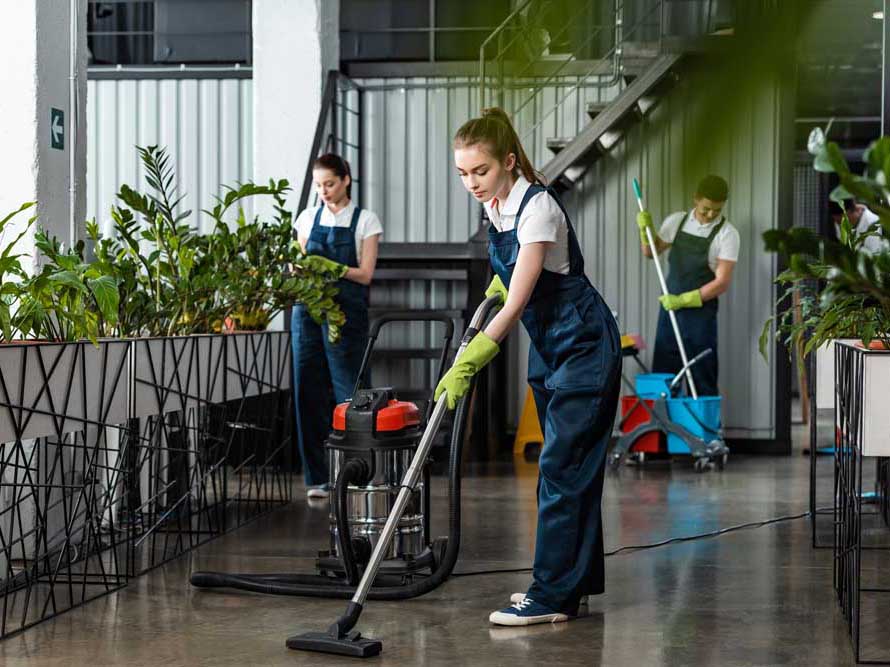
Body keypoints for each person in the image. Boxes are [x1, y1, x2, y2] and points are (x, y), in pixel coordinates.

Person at [439, 107, 622, 626]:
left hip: (583, 345)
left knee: (561, 468)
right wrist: (500, 285)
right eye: (463, 173)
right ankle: (575, 584)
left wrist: (473, 355)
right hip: (550, 350)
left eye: (481, 171)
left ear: (509, 162)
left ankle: (550, 596)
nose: (472, 183)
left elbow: (516, 301)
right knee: (572, 468)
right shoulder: (497, 207)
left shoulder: (536, 207)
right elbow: (516, 275)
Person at [292, 153, 382, 499]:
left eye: (329, 183)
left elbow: (365, 274)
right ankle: (317, 477)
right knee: (308, 391)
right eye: (318, 185)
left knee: (351, 391)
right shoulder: (307, 218)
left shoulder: (366, 221)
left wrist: (328, 266)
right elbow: (298, 267)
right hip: (308, 313)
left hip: (347, 313)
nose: (324, 191)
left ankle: (358, 473)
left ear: (345, 179)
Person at [636, 175, 739, 397]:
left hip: (700, 315)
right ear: (696, 199)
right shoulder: (677, 221)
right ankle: (663, 431)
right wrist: (646, 230)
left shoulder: (727, 234)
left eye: (716, 210)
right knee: (665, 374)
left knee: (703, 374)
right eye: (705, 209)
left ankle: (704, 431)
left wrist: (684, 299)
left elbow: (721, 283)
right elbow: (650, 252)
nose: (710, 215)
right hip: (670, 312)